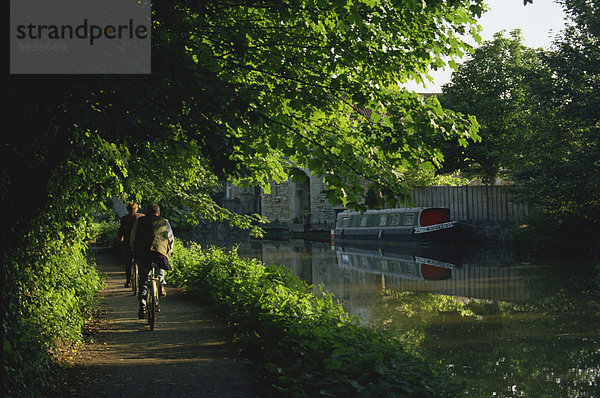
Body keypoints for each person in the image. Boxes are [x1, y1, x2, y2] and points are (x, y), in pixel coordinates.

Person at [130, 202, 174, 319]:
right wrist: (170, 250)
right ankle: (161, 284)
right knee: (162, 260)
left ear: (146, 213)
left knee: (143, 280)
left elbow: (133, 237)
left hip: (143, 253)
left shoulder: (140, 221)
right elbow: (170, 238)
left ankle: (143, 303)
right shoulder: (164, 221)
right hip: (159, 252)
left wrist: (133, 248)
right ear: (158, 213)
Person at [117, 201, 143, 287]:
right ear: (136, 208)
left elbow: (121, 231)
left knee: (128, 262)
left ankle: (128, 281)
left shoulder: (124, 218)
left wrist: (120, 238)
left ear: (128, 209)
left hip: (128, 243)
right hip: (140, 243)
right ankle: (141, 279)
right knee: (141, 261)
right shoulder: (142, 217)